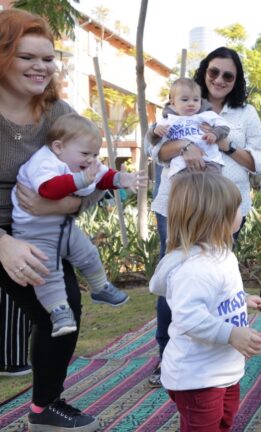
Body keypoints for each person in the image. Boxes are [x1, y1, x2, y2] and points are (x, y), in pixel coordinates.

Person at [0, 9, 101, 430]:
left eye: (48, 57)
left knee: (60, 313)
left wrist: (64, 207)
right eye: (27, 57)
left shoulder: (58, 111)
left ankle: (45, 407)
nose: (41, 67)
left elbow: (91, 180)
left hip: (39, 231)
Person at [147, 47, 261, 387]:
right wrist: (187, 147)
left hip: (225, 209)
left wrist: (225, 145)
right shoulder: (180, 105)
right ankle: (168, 355)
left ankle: (215, 355)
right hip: (177, 205)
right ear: (204, 72)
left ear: (236, 80)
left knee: (217, 274)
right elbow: (155, 151)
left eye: (227, 75)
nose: (218, 80)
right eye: (213, 72)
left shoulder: (245, 114)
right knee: (175, 276)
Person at [149, 172, 261, 432]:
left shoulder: (222, 255)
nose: (242, 211)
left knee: (224, 420)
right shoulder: (194, 269)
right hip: (197, 377)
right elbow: (189, 318)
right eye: (237, 208)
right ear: (216, 217)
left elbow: (215, 293)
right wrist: (231, 333)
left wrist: (241, 298)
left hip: (222, 369)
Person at [12, 113, 143, 337]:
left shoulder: (81, 161)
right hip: (34, 231)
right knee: (48, 271)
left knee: (88, 254)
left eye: (95, 154)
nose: (91, 160)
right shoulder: (44, 162)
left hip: (63, 225)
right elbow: (48, 189)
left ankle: (100, 287)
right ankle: (59, 311)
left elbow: (103, 176)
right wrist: (82, 179)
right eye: (85, 154)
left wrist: (123, 179)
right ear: (58, 147)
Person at [150, 78, 230, 177]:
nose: (191, 103)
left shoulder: (206, 115)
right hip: (180, 165)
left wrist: (214, 133)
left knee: (211, 189)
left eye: (196, 100)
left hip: (210, 160)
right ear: (173, 102)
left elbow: (224, 127)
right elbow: (154, 142)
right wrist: (155, 132)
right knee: (183, 190)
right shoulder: (167, 120)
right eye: (185, 100)